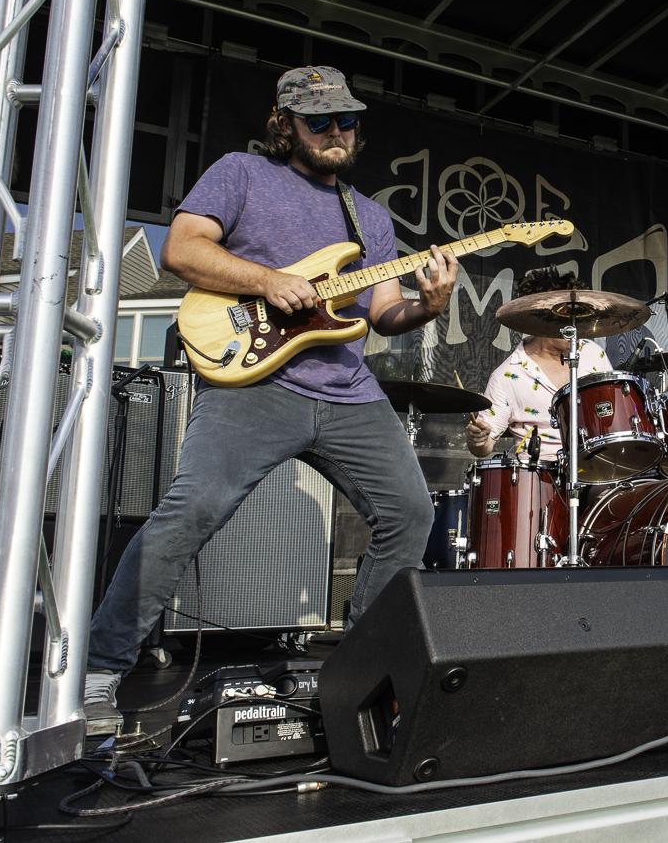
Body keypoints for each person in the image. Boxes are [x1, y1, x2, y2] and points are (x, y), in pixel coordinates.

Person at [82, 66, 458, 728]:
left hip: (347, 392)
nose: (336, 131)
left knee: (409, 515)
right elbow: (182, 250)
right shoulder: (241, 174)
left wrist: (429, 306)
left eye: (346, 119)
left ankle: (359, 672)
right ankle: (100, 672)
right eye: (320, 121)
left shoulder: (366, 215)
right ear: (286, 124)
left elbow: (384, 314)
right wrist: (266, 280)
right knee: (190, 511)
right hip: (254, 382)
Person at [466, 267, 612, 461]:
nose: (578, 327)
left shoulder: (593, 353)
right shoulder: (506, 375)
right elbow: (484, 446)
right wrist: (478, 440)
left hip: (596, 469)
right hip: (540, 480)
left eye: (579, 318)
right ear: (541, 320)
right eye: (569, 318)